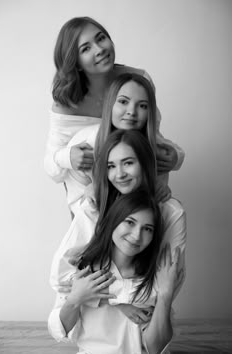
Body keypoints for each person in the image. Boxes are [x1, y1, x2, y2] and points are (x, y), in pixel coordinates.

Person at [44, 17, 185, 212]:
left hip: (131, 186)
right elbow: (52, 168)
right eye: (86, 48)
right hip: (88, 197)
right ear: (75, 63)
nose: (99, 49)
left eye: (101, 38)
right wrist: (70, 156)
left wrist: (174, 157)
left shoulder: (137, 81)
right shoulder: (66, 105)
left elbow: (149, 135)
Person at [50, 130, 186, 302]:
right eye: (111, 166)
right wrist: (113, 303)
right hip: (95, 315)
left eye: (128, 163)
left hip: (147, 318)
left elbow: (168, 285)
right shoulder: (95, 204)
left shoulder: (171, 211)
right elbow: (61, 277)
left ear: (145, 164)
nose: (119, 174)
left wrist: (93, 294)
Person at [48, 191, 184, 353]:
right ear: (113, 222)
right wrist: (75, 300)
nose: (136, 235)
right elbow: (57, 330)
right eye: (129, 222)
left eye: (147, 229)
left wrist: (165, 295)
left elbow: (156, 347)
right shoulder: (83, 270)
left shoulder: (155, 277)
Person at [48, 73, 184, 215]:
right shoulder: (86, 143)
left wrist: (160, 187)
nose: (132, 112)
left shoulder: (155, 147)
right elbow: (82, 211)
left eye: (143, 105)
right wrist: (91, 195)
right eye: (123, 102)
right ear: (110, 104)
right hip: (92, 221)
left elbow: (153, 204)